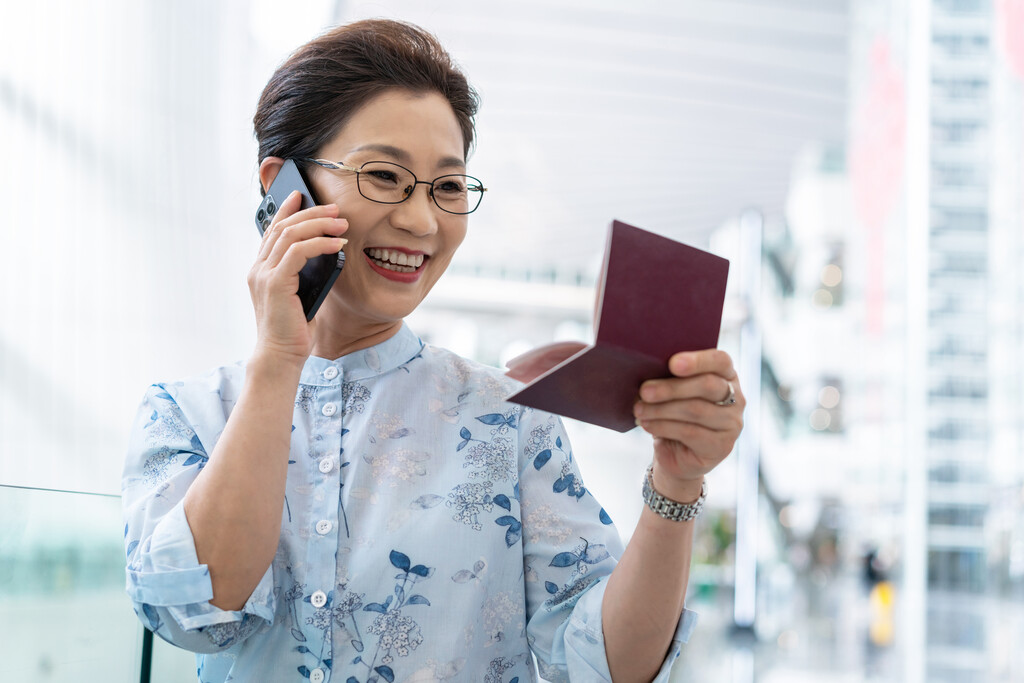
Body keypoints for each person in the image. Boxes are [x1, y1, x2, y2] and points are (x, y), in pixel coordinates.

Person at [121, 19, 744, 683]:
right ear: (285, 186)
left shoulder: (511, 418)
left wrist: (676, 484)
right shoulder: (185, 416)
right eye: (385, 176)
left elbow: (607, 664)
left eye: (448, 187)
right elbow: (198, 612)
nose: (421, 222)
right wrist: (278, 359)